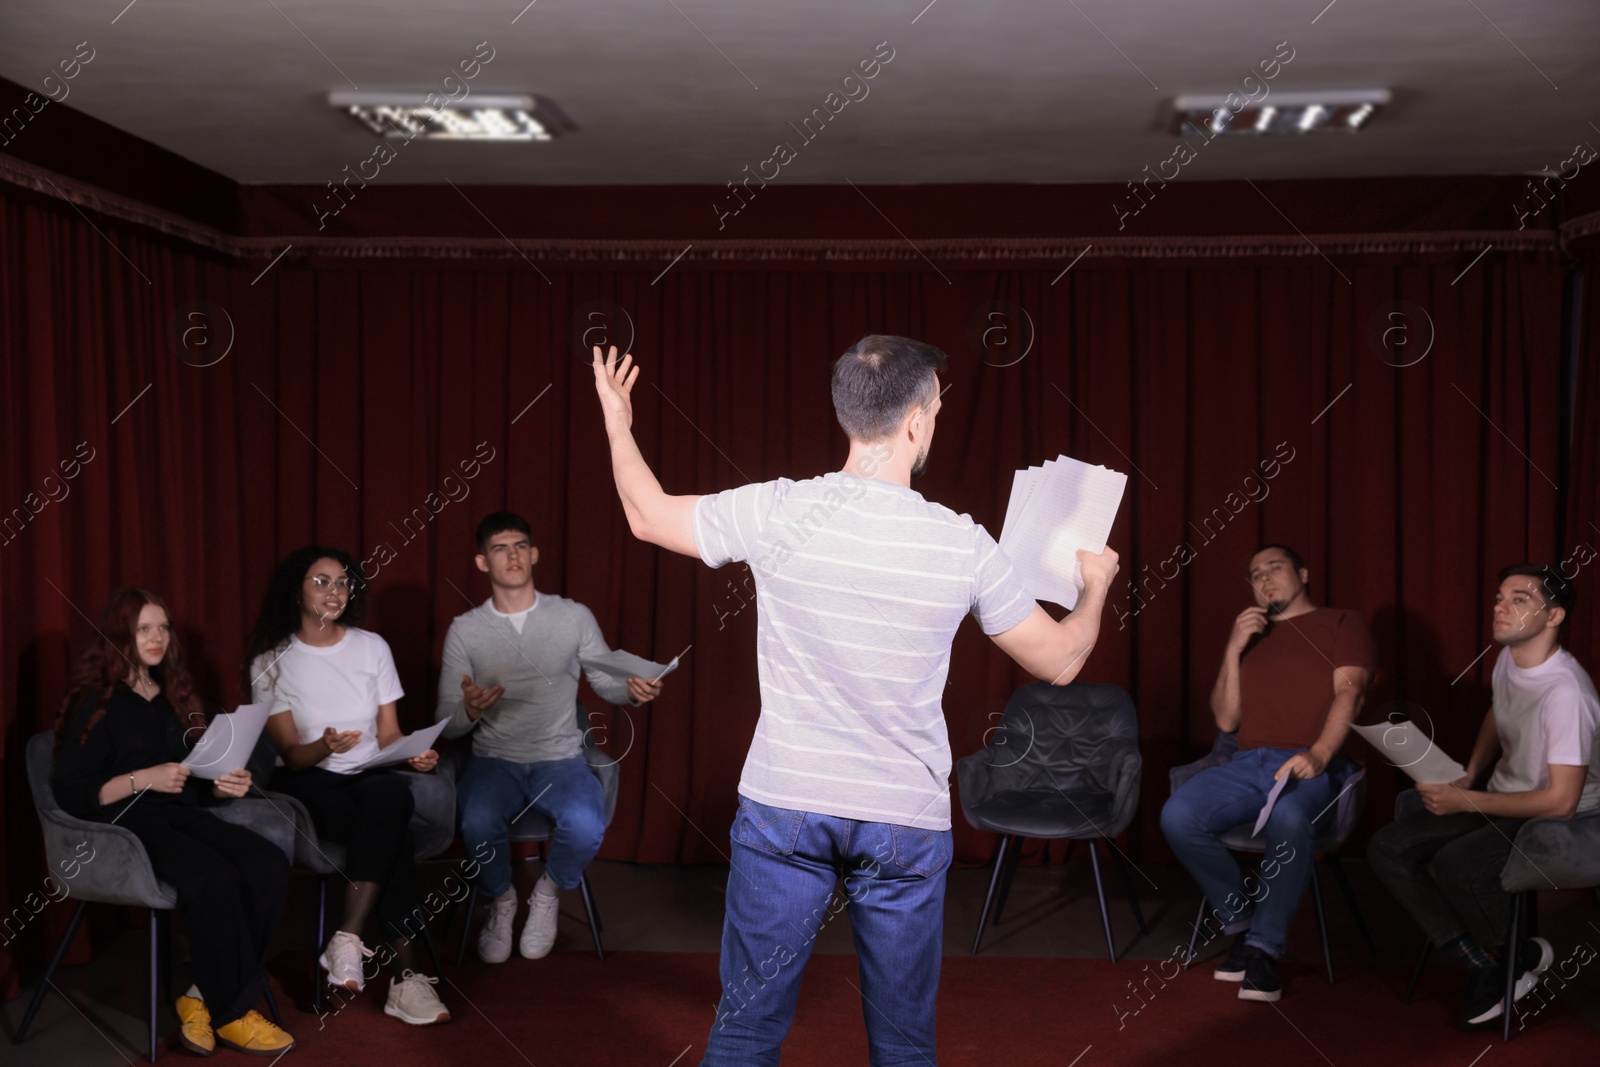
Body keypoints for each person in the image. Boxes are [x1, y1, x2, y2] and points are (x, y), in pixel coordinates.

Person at [590, 336, 1119, 1066]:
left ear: (847, 415)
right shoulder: (961, 543)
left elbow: (646, 515)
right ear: (915, 423)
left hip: (786, 805)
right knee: (903, 1046)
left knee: (744, 1033)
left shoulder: (778, 509)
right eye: (935, 405)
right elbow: (1061, 660)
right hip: (904, 818)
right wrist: (1094, 589)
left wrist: (619, 419)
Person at [53, 587, 294, 1056]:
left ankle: (200, 996)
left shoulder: (174, 695)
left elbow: (192, 776)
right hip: (127, 825)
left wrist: (221, 785)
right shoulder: (95, 701)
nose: (157, 637)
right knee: (212, 876)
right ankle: (233, 1014)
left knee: (268, 862)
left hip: (182, 813)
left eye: (163, 627)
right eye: (144, 628)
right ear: (120, 633)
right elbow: (74, 793)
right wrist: (143, 777)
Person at [1368, 564, 1595, 1028]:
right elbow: (1499, 709)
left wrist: (1466, 803)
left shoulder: (1567, 694)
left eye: (1519, 599)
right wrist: (1469, 774)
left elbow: (1560, 802)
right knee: (1386, 846)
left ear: (1553, 618)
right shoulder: (1512, 656)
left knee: (1455, 864)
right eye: (1499, 597)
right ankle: (1497, 961)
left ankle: (1499, 959)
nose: (1500, 607)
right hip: (1503, 795)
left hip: (1553, 815)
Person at [437, 510, 664, 962]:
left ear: (534, 554)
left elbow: (606, 682)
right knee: (476, 823)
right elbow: (447, 720)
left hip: (560, 758)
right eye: (499, 548)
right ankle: (501, 899)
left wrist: (633, 690)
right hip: (493, 758)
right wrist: (469, 708)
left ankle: (547, 894)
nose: (512, 555)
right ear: (483, 562)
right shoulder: (465, 630)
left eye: (520, 545)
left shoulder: (573, 616)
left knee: (585, 822)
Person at [1159, 544, 1376, 1003]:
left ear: (1303, 572)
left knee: (1290, 819)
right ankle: (1241, 921)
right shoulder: (1252, 636)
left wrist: (1318, 754)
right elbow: (1225, 720)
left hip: (1310, 760)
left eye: (1274, 568)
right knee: (1178, 816)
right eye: (1255, 574)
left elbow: (1351, 694)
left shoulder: (1342, 622)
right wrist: (1234, 648)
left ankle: (1262, 948)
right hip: (1246, 762)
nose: (1264, 579)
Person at [243, 546, 450, 1026]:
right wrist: (325, 748)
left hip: (371, 777)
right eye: (321, 581)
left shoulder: (372, 647)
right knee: (393, 823)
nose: (334, 592)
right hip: (307, 782)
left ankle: (347, 938)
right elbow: (292, 754)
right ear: (296, 589)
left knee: (390, 795)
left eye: (342, 583)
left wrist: (413, 753)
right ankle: (406, 977)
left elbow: (390, 732)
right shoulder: (269, 662)